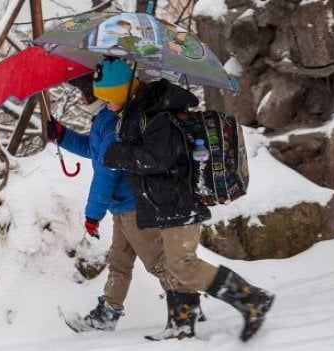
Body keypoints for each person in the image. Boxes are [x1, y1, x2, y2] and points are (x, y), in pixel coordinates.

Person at [102, 77, 275, 341]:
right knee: (177, 265)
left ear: (121, 92)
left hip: (178, 200)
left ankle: (252, 298)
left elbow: (159, 158)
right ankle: (181, 324)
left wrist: (120, 153)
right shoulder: (142, 114)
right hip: (167, 202)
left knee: (182, 264)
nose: (105, 103)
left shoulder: (155, 116)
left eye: (108, 96)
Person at [47, 57, 205, 338]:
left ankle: (186, 307)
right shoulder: (103, 120)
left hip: (133, 205)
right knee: (119, 261)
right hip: (121, 207)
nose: (81, 99)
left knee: (156, 261)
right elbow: (94, 151)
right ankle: (107, 314)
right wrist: (63, 136)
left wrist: (92, 215)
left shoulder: (112, 123)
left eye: (84, 94)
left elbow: (105, 174)